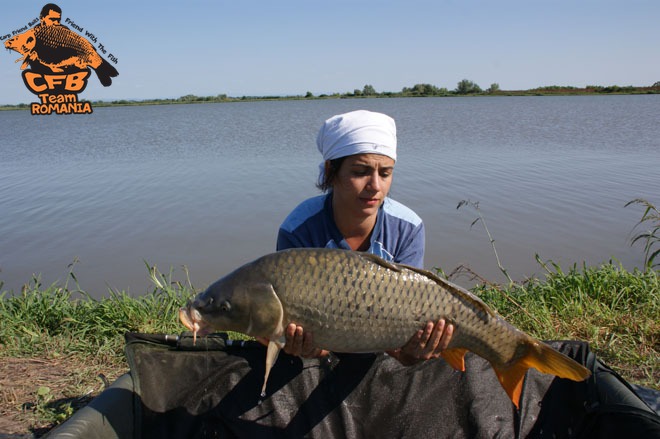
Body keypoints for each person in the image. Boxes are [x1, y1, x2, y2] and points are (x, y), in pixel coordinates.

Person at [276, 109, 453, 366]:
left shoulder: (408, 227)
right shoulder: (297, 230)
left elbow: (408, 330)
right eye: (360, 172)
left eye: (385, 173)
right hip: (320, 360)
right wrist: (311, 350)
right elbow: (291, 325)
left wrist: (412, 353)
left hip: (383, 352)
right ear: (330, 172)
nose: (376, 186)